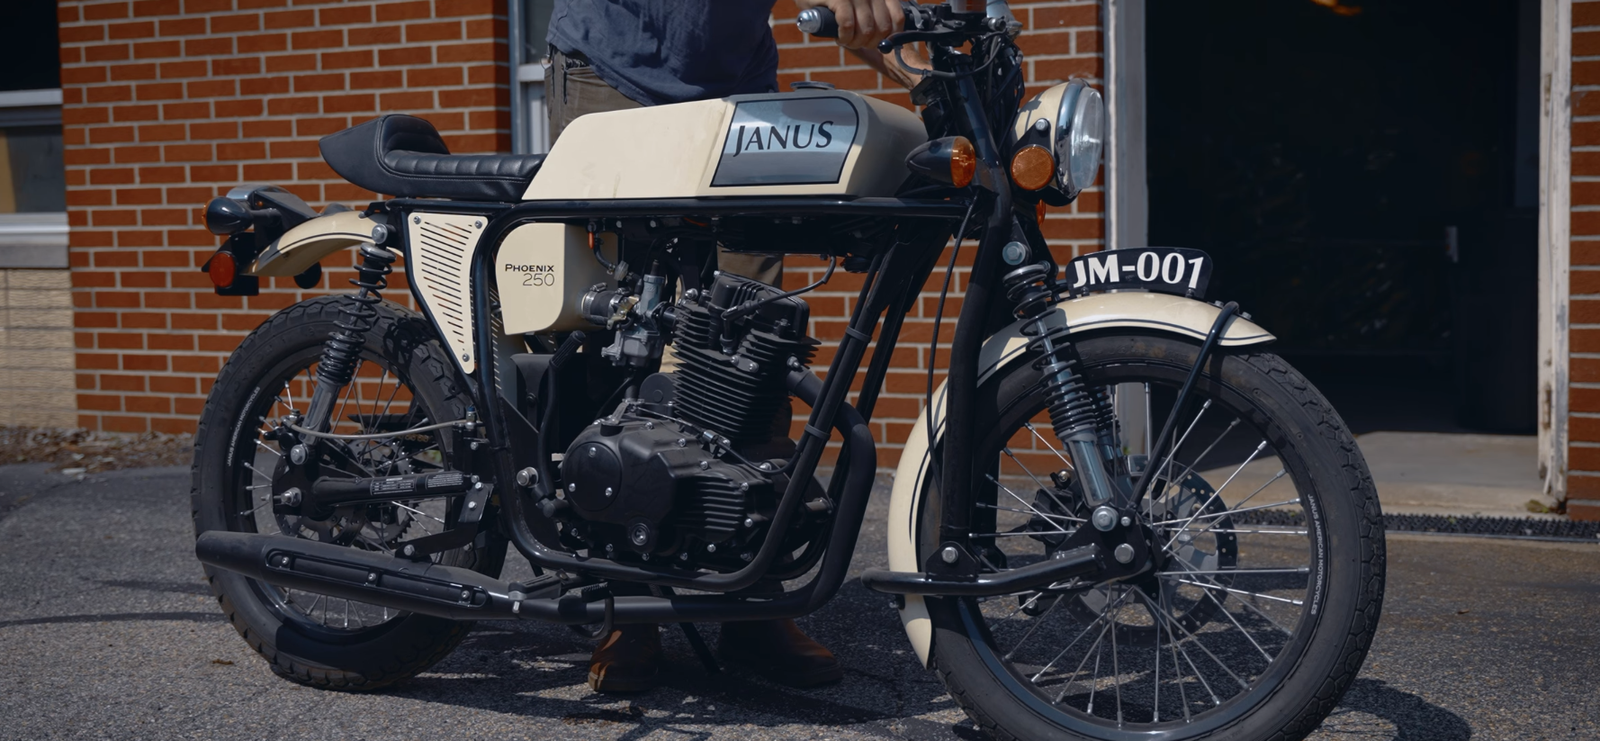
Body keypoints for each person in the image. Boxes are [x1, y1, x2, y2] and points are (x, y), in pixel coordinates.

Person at [543, 0, 925, 694]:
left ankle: (750, 599)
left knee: (755, 332)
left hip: (735, 80)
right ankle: (622, 602)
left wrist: (919, 65)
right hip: (612, 67)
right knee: (620, 333)